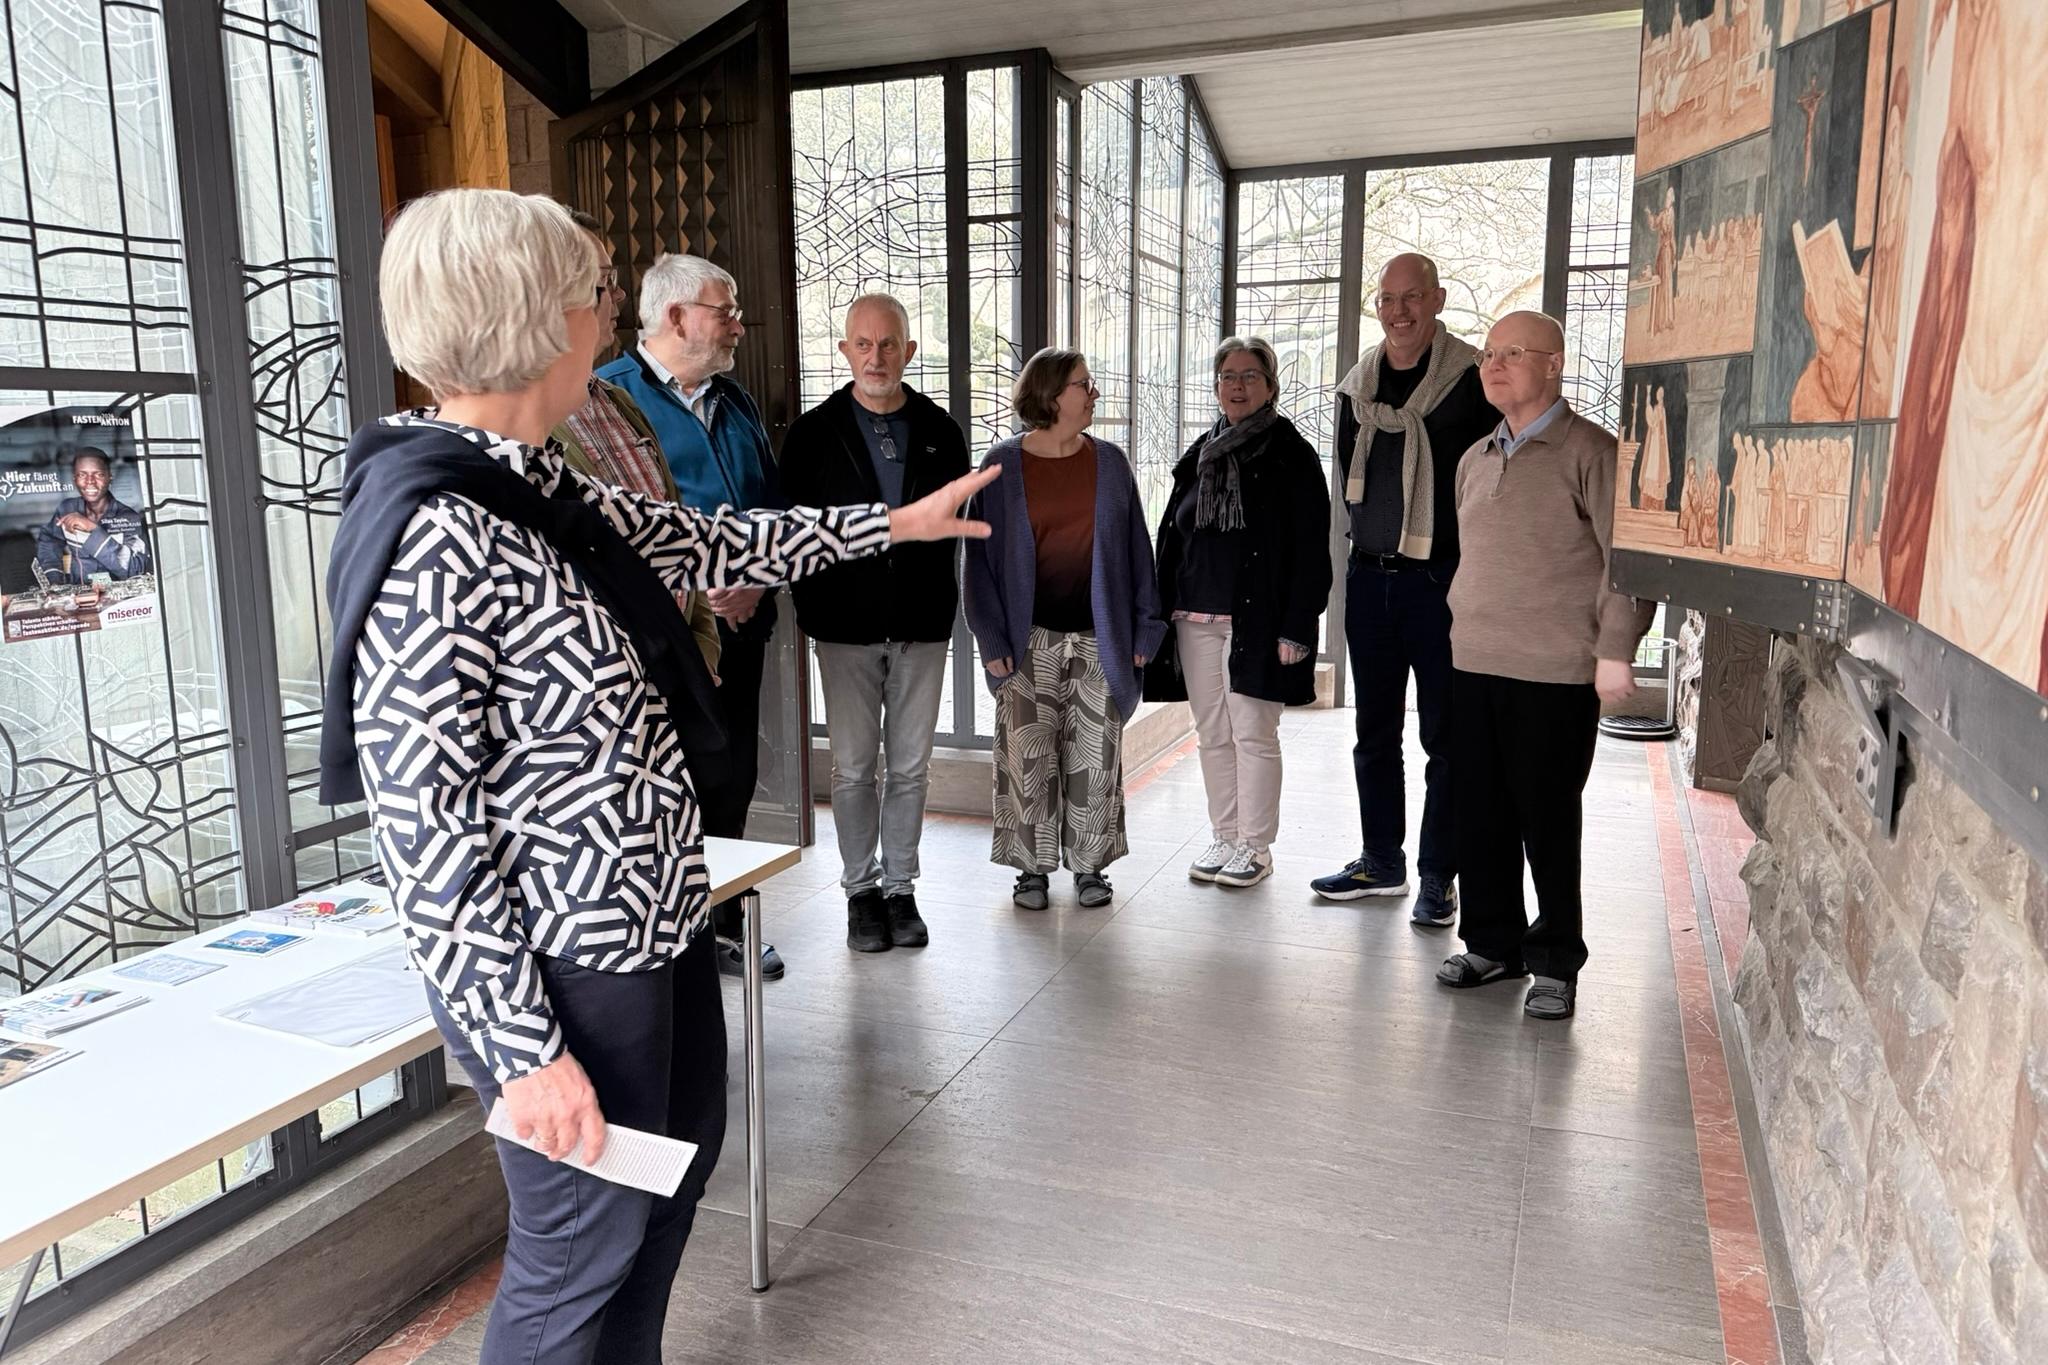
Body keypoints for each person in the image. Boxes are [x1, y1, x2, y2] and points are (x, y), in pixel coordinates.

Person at [319, 188, 997, 1365]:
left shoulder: (530, 481)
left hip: (653, 918)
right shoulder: (436, 528)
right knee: (578, 1249)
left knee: (664, 1193)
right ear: (536, 318)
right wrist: (524, 1052)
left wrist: (893, 524)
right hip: (571, 966)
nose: (606, 315)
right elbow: (428, 832)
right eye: (593, 292)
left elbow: (700, 540)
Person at [1431, 311, 1654, 1022]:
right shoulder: (1475, 457)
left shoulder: (1593, 451)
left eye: (1512, 353)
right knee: (1480, 813)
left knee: (1547, 822)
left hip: (1555, 672)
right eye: (1487, 355)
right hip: (1474, 663)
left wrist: (1614, 649)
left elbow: (1628, 564)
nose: (1493, 366)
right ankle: (1493, 944)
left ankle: (1556, 959)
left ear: (1554, 363)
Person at [596, 253, 787, 980]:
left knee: (733, 775)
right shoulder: (608, 399)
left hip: (744, 625)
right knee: (674, 784)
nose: (738, 324)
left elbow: (771, 507)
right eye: (724, 310)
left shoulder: (734, 400)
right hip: (665, 640)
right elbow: (611, 531)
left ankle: (726, 922)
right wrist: (701, 588)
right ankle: (676, 933)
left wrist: (758, 578)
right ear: (676, 317)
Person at [1311, 253, 1498, 927]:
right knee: (1373, 732)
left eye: (1411, 297)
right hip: (1369, 579)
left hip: (1442, 582)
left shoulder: (1472, 380)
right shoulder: (1357, 388)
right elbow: (1347, 479)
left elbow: (1492, 483)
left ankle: (1438, 876)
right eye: (1387, 299)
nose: (1398, 311)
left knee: (1445, 739)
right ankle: (1381, 860)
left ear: (1437, 299)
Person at [780, 293, 968, 953]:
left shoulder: (942, 430)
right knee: (855, 767)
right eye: (863, 344)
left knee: (911, 767)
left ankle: (901, 889)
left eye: (888, 343)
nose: (876, 356)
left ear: (909, 351)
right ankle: (861, 892)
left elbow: (954, 526)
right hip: (843, 628)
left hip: (921, 625)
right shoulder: (813, 433)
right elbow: (791, 532)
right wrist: (813, 604)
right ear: (845, 351)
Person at [964, 347, 1165, 911]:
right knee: (1028, 761)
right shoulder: (1001, 466)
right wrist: (991, 639)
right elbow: (976, 563)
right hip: (1026, 642)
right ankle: (1031, 871)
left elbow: (1138, 551)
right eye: (1084, 385)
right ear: (1052, 395)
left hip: (1101, 640)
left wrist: (1145, 630)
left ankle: (1090, 868)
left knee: (1096, 760)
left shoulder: (1111, 464)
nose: (1094, 394)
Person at [1144, 337, 1330, 888]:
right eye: (1228, 375)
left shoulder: (1291, 453)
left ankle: (1256, 846)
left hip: (1258, 620)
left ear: (1271, 386)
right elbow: (1172, 535)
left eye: (1250, 376)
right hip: (1193, 616)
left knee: (1253, 734)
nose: (1238, 386)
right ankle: (1225, 836)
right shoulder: (1201, 452)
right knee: (1212, 734)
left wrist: (1298, 627)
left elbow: (1311, 550)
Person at [551, 210, 720, 680]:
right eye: (605, 281)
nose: (620, 295)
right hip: (614, 687)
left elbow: (675, 526)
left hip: (676, 670)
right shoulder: (524, 433)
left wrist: (700, 648)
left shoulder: (615, 402)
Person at [34, 448, 151, 583]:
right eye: (82, 475)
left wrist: (93, 529)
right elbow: (49, 541)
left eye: (99, 474)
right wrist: (55, 580)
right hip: (79, 593)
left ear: (110, 477)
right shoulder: (67, 508)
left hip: (118, 594)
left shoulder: (128, 517)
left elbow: (136, 569)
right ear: (74, 479)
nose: (90, 481)